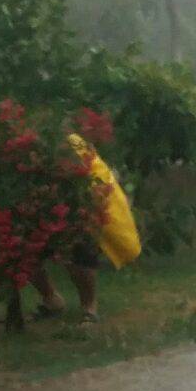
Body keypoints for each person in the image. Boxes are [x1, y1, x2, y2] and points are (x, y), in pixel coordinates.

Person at [32, 127, 141, 323]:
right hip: (47, 205)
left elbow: (92, 179)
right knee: (25, 256)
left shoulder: (72, 145)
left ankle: (89, 308)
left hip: (81, 206)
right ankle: (52, 300)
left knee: (79, 261)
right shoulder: (30, 144)